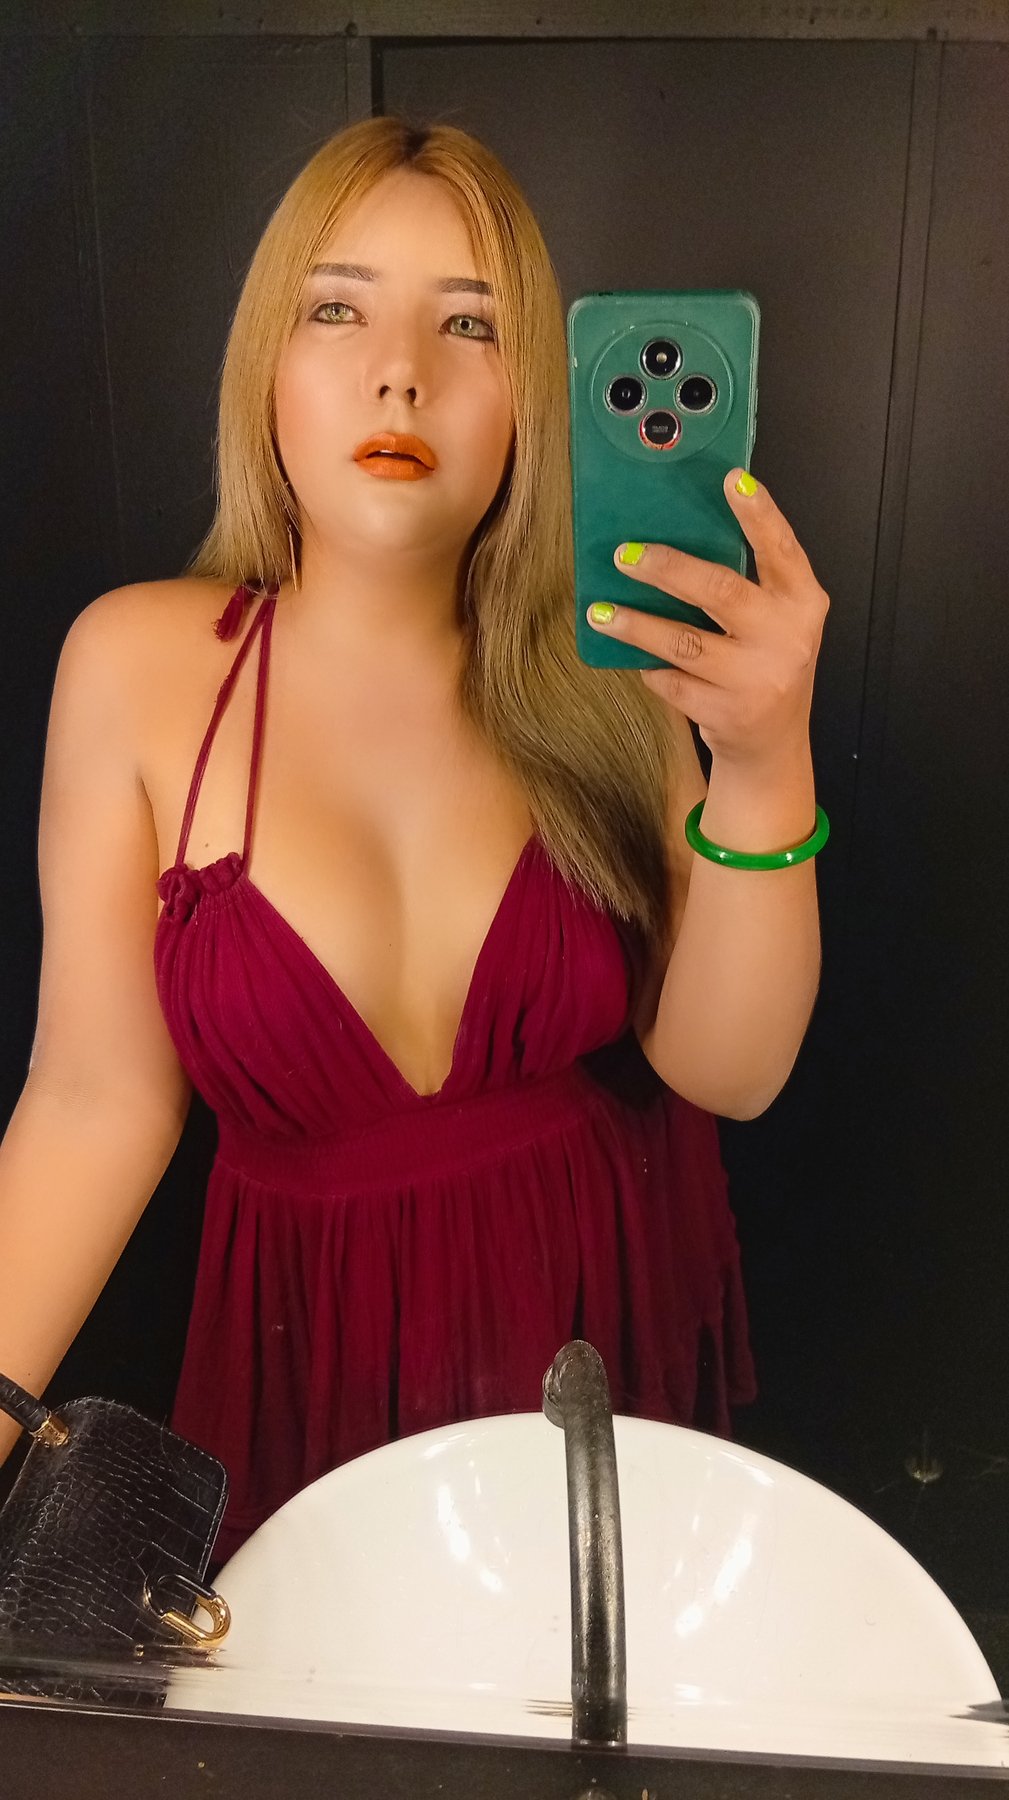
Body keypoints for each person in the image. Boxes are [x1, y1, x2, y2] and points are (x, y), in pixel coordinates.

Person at [0, 116, 828, 1570]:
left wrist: (761, 759)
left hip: (592, 1334)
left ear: (535, 402)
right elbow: (93, 1098)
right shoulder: (135, 668)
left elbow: (729, 1070)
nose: (401, 372)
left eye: (470, 324)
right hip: (308, 1363)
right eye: (338, 309)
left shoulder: (616, 673)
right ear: (265, 363)